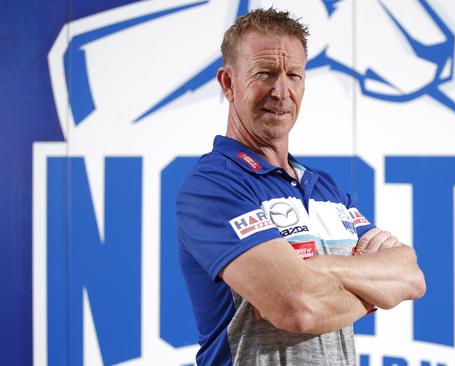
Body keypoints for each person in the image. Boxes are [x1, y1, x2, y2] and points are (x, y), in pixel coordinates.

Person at [176, 8, 426, 366]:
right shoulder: (214, 185)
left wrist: (320, 269)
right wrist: (375, 290)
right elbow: (299, 309)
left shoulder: (324, 187)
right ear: (228, 83)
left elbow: (410, 276)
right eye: (265, 74)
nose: (281, 91)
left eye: (293, 75)